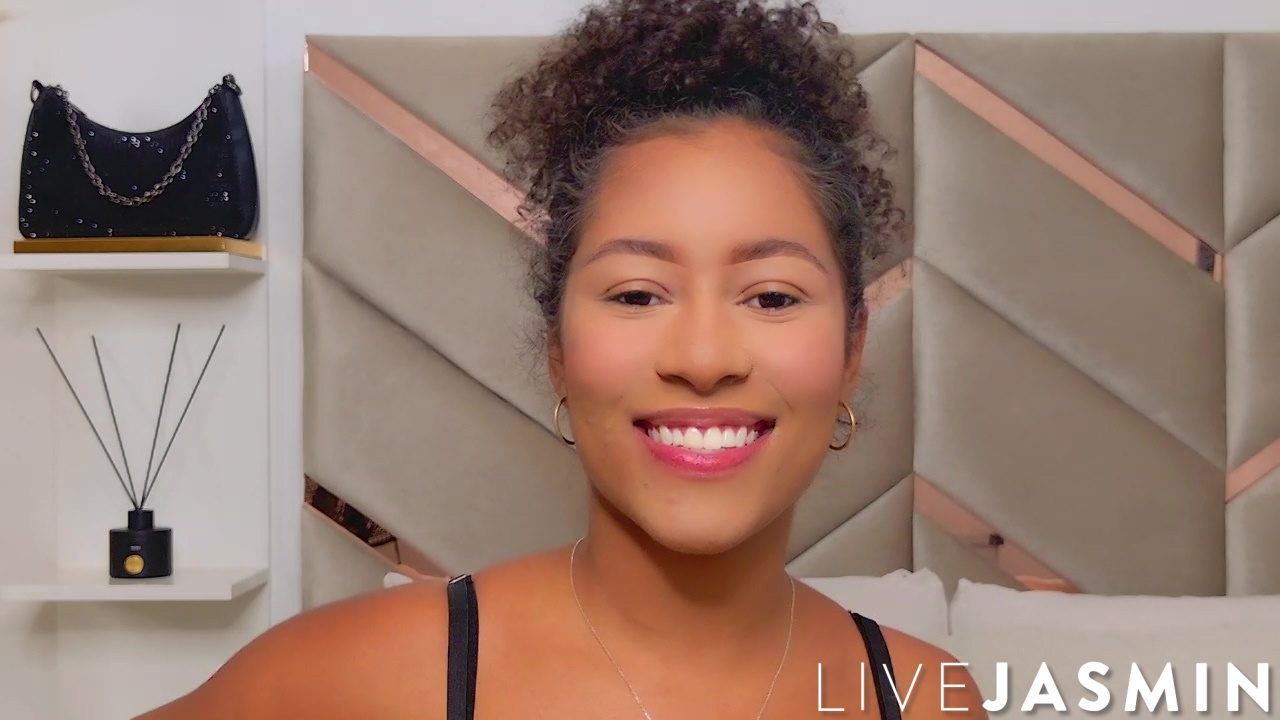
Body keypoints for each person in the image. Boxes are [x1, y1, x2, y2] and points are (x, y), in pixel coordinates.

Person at [139, 1, 989, 718]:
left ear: (851, 350)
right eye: (638, 294)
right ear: (558, 350)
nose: (703, 358)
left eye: (770, 296)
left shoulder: (926, 697)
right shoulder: (360, 681)